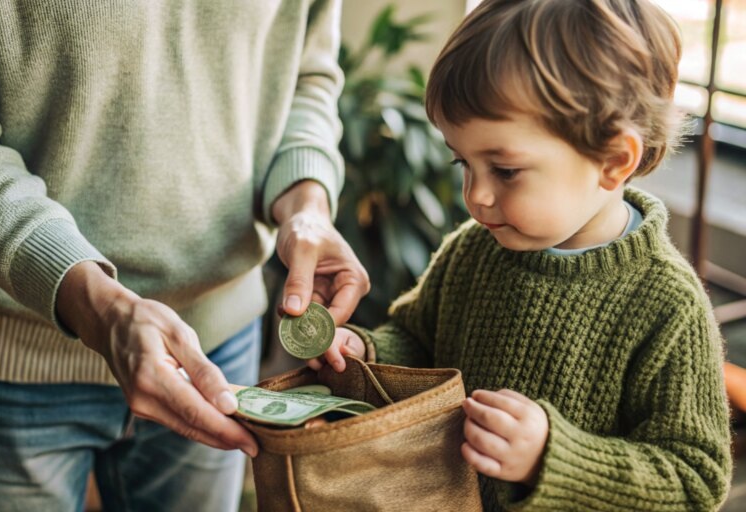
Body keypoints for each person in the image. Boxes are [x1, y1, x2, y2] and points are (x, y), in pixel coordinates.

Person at [313, 0, 732, 509]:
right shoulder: (474, 248)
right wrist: (367, 355)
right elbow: (417, 340)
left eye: (505, 170)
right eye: (462, 162)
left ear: (614, 160)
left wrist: (552, 458)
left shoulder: (667, 306)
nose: (477, 196)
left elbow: (696, 481)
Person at [0, 1, 369, 511]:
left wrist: (307, 203)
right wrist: (96, 305)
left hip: (218, 348)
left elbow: (305, 78)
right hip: (16, 364)